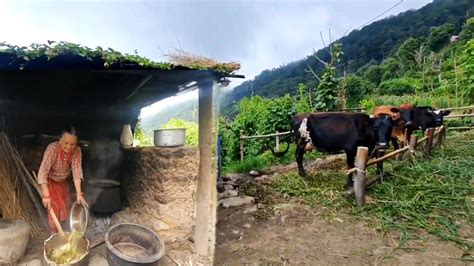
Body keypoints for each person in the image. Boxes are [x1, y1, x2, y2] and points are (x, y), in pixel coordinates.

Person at [37, 126, 88, 234]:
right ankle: (54, 234)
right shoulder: (52, 149)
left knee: (66, 206)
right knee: (54, 210)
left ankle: (64, 230)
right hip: (50, 182)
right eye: (66, 143)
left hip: (63, 183)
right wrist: (46, 195)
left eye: (72, 144)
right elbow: (43, 171)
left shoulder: (77, 151)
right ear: (59, 139)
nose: (69, 147)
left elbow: (76, 171)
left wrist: (79, 194)